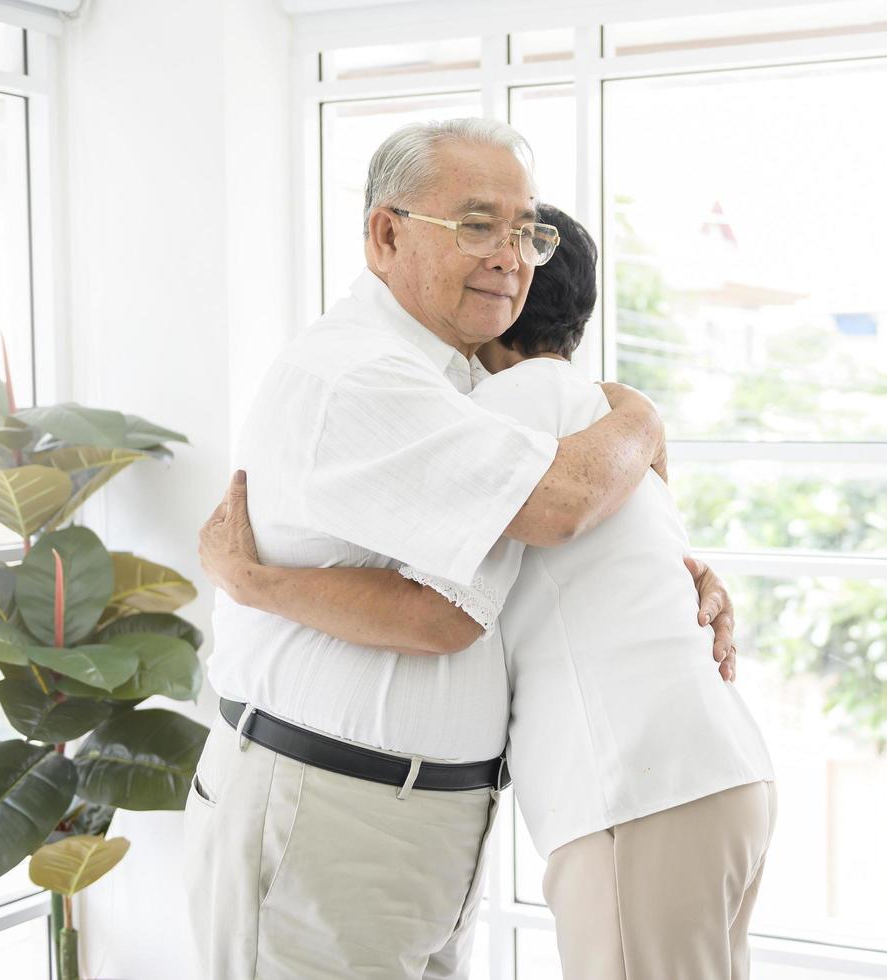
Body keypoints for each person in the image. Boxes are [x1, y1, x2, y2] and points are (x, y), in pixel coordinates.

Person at [183, 118, 737, 980]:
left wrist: (673, 576)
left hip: (424, 819)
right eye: (477, 225)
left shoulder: (473, 382)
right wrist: (640, 415)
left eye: (525, 232)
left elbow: (567, 527)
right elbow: (540, 524)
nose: (511, 255)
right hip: (328, 811)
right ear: (385, 233)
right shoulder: (366, 377)